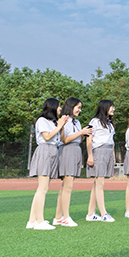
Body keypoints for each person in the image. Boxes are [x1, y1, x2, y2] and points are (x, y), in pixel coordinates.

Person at [27, 98, 68, 230]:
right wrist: (59, 126)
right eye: (58, 106)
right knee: (42, 189)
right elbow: (47, 137)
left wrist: (61, 125)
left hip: (53, 151)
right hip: (45, 150)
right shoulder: (42, 120)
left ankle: (32, 220)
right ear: (52, 107)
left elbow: (61, 138)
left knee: (42, 188)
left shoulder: (54, 122)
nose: (60, 109)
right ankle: (40, 222)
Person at [53, 97, 92, 227]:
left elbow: (76, 139)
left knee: (65, 186)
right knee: (67, 186)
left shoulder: (77, 122)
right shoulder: (64, 120)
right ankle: (66, 217)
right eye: (78, 107)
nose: (79, 110)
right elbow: (65, 139)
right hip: (66, 150)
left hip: (75, 150)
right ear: (71, 106)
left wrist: (83, 134)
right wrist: (81, 132)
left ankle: (58, 217)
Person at [85, 100, 116, 222]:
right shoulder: (95, 122)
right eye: (111, 107)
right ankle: (104, 213)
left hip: (108, 151)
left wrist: (113, 156)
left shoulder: (110, 123)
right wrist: (90, 156)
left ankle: (90, 213)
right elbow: (89, 140)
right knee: (100, 183)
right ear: (104, 108)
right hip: (99, 151)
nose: (113, 108)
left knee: (97, 184)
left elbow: (111, 140)